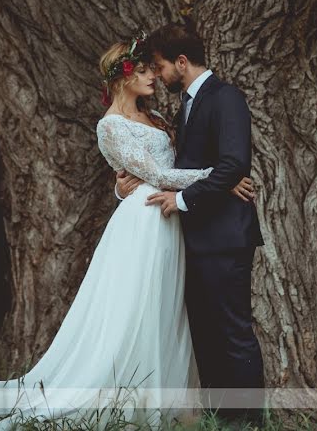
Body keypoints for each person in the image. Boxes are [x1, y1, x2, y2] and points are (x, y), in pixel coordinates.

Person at [0, 34, 254, 430]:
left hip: (173, 218)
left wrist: (195, 180)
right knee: (135, 309)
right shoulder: (109, 126)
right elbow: (157, 175)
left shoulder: (161, 118)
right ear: (123, 77)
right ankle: (121, 397)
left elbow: (165, 165)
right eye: (143, 70)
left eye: (153, 68)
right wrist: (220, 177)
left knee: (171, 309)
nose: (152, 77)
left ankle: (175, 404)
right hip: (145, 221)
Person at [116, 23, 266, 426]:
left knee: (234, 334)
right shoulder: (184, 105)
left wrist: (181, 199)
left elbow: (234, 164)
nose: (158, 74)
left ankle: (248, 422)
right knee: (205, 335)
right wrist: (129, 180)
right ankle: (220, 418)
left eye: (161, 66)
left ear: (181, 62)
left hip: (225, 237)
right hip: (193, 239)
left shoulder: (225, 97)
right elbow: (192, 165)